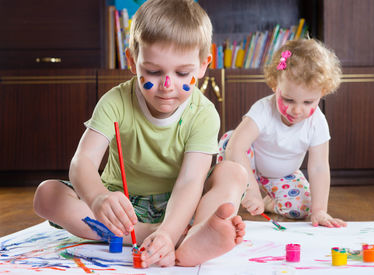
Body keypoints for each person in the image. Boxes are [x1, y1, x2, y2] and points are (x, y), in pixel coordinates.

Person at [33, 0, 247, 267]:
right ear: (133, 61)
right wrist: (98, 197)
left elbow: (190, 182)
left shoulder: (203, 114)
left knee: (233, 173)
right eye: (154, 72)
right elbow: (82, 162)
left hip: (181, 207)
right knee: (47, 194)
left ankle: (191, 233)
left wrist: (170, 228)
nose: (167, 86)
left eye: (183, 73)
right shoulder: (115, 101)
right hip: (121, 209)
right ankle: (176, 237)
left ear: (203, 65)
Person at [217, 38, 347, 228]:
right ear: (274, 85)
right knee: (229, 141)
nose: (297, 110)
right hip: (247, 166)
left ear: (323, 92)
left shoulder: (317, 122)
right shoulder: (263, 110)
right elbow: (236, 149)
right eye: (288, 99)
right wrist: (251, 189)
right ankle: (232, 196)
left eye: (308, 102)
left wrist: (319, 210)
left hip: (281, 175)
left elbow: (319, 167)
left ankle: (270, 201)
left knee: (303, 208)